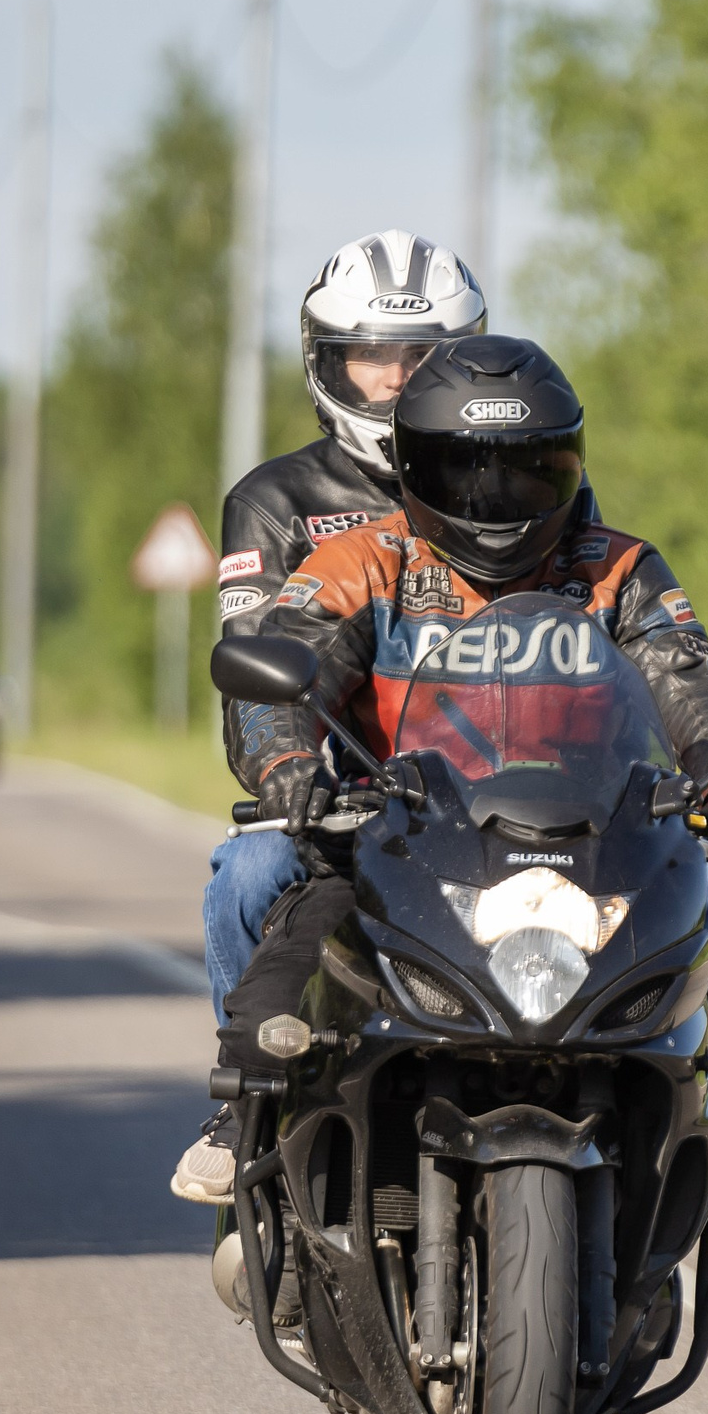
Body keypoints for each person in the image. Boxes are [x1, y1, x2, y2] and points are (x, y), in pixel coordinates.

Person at [171, 334, 708, 1204]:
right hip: (404, 837)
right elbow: (282, 667)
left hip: (593, 838)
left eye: (526, 471)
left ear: (571, 466)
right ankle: (251, 1112)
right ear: (413, 467)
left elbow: (692, 678)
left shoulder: (619, 569)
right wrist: (285, 760)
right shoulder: (362, 562)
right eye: (465, 472)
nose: (495, 498)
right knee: (301, 921)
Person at [201, 230, 494, 1036]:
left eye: (421, 354)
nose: (397, 378)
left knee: (699, 879)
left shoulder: (520, 479)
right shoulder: (275, 499)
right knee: (248, 874)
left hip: (514, 794)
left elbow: (592, 635)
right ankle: (244, 1093)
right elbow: (257, 670)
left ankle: (705, 1086)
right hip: (351, 798)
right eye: (372, 355)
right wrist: (287, 768)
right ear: (327, 362)